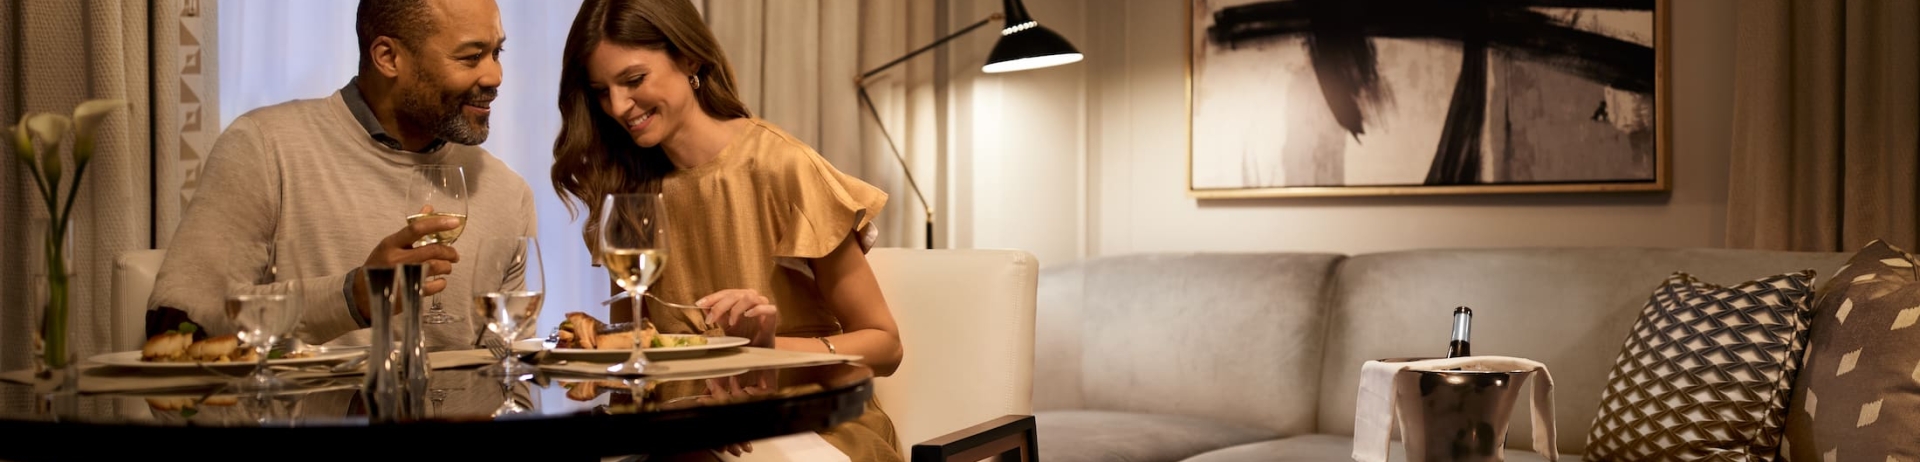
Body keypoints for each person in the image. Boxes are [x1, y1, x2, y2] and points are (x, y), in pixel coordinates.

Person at [549, 0, 905, 459]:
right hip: (689, 434)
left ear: (689, 58)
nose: (618, 106)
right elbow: (641, 362)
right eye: (601, 91)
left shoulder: (782, 167)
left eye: (634, 80)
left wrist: (763, 350)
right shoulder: (628, 190)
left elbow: (885, 344)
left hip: (810, 426)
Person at [148, 0, 536, 351]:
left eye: (496, 52)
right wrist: (352, 298)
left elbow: (511, 368)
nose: (495, 76)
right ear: (388, 57)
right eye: (471, 57)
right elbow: (180, 321)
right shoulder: (265, 147)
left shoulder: (507, 192)